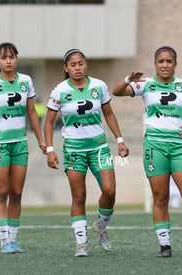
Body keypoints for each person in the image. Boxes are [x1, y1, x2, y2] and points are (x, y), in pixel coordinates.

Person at [112, 46, 182, 258]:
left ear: (175, 64)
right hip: (155, 147)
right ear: (155, 64)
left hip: (181, 147)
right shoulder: (146, 85)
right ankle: (165, 246)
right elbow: (116, 92)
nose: (164, 65)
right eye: (160, 61)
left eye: (169, 61)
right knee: (160, 197)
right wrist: (128, 79)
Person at [44, 49, 129, 257]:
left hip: (99, 147)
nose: (77, 67)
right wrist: (50, 150)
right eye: (73, 65)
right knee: (78, 195)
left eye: (80, 63)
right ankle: (81, 243)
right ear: (66, 68)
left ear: (86, 64)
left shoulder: (99, 86)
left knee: (110, 191)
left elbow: (108, 114)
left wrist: (119, 140)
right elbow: (47, 122)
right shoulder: (59, 91)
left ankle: (100, 226)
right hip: (74, 149)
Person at [0, 42, 46, 254]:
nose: (8, 61)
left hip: (20, 143)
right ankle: (4, 240)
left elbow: (32, 112)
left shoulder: (26, 81)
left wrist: (41, 139)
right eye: (4, 57)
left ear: (16, 59)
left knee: (16, 192)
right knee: (2, 192)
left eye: (12, 57)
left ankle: (13, 239)